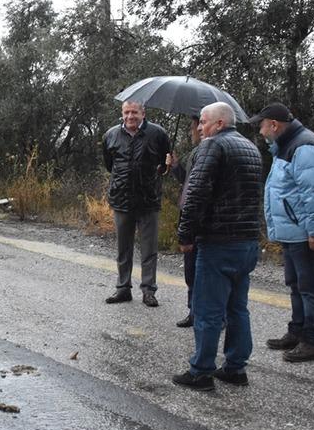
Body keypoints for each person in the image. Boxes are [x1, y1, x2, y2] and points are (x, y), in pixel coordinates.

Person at [173, 102, 262, 390]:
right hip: (247, 241)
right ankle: (236, 367)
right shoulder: (251, 148)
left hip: (218, 242)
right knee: (237, 308)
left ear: (220, 123)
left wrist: (185, 235)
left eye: (203, 121)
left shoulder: (212, 146)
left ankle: (201, 371)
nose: (200, 127)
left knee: (208, 309)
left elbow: (196, 193)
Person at [252, 103, 314, 363]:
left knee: (310, 287)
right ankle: (297, 331)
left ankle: (312, 341)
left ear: (274, 125)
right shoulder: (286, 146)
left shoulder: (304, 146)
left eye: (262, 126)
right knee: (297, 284)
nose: (261, 132)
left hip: (305, 232)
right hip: (294, 230)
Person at [102, 101, 171, 306]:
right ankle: (123, 288)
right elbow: (110, 165)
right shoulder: (111, 135)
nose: (130, 116)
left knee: (149, 249)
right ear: (122, 113)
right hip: (121, 199)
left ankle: (149, 290)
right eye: (126, 112)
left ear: (143, 113)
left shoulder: (158, 134)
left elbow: (163, 165)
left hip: (148, 200)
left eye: (134, 112)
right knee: (123, 248)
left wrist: (165, 167)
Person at [166, 116, 202, 328]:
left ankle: (211, 314)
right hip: (189, 220)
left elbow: (195, 193)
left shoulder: (208, 154)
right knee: (191, 270)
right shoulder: (194, 154)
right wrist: (175, 166)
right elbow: (185, 181)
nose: (191, 132)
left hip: (199, 223)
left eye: (193, 128)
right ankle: (193, 311)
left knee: (201, 271)